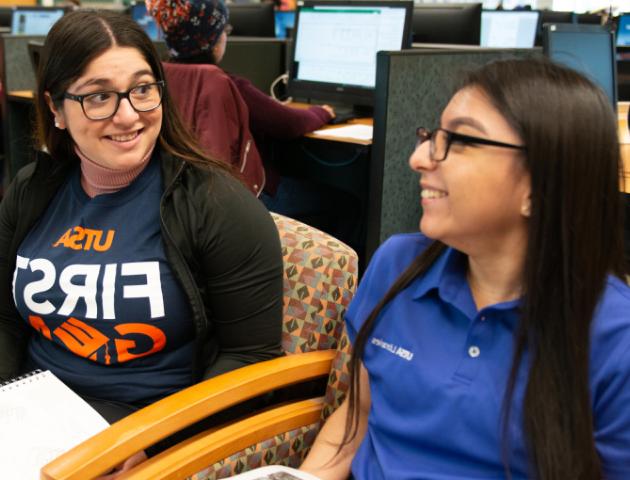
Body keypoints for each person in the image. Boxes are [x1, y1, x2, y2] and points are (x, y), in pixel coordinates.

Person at [299, 59, 630, 479]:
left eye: (458, 140)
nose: (419, 158)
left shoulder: (615, 338)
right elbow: (356, 422)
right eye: (432, 136)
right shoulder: (397, 266)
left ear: (541, 185)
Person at [0, 7, 283, 455]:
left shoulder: (217, 205)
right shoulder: (32, 191)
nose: (129, 116)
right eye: (98, 97)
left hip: (141, 429)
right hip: (31, 414)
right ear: (55, 108)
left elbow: (251, 359)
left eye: (142, 90)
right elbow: (6, 319)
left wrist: (159, 444)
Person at [147, 0, 362, 244]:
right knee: (348, 206)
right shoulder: (223, 83)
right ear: (212, 39)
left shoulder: (158, 77)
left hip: (183, 201)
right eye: (224, 31)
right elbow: (290, 124)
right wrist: (323, 112)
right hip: (246, 200)